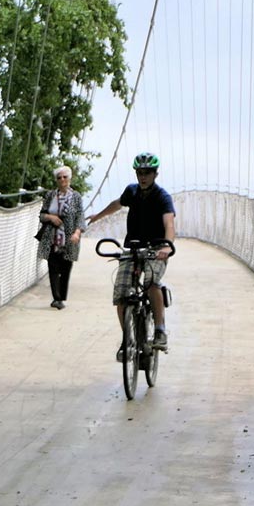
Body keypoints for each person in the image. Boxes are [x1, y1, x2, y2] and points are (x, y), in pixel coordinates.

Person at [86, 151, 176, 358]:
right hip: (133, 248)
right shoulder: (132, 191)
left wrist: (167, 246)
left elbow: (169, 223)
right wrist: (98, 216)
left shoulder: (162, 197)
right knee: (121, 294)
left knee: (151, 282)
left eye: (147, 172)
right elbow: (117, 204)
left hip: (156, 249)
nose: (143, 176)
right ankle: (128, 340)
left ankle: (160, 331)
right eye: (139, 172)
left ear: (155, 174)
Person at [36, 165, 86, 309]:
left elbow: (80, 216)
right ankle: (56, 298)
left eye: (65, 177)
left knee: (65, 269)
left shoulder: (76, 197)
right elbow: (42, 215)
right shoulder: (50, 195)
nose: (62, 180)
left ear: (69, 178)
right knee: (53, 267)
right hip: (51, 237)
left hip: (69, 238)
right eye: (59, 177)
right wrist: (51, 217)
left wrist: (77, 233)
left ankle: (61, 297)